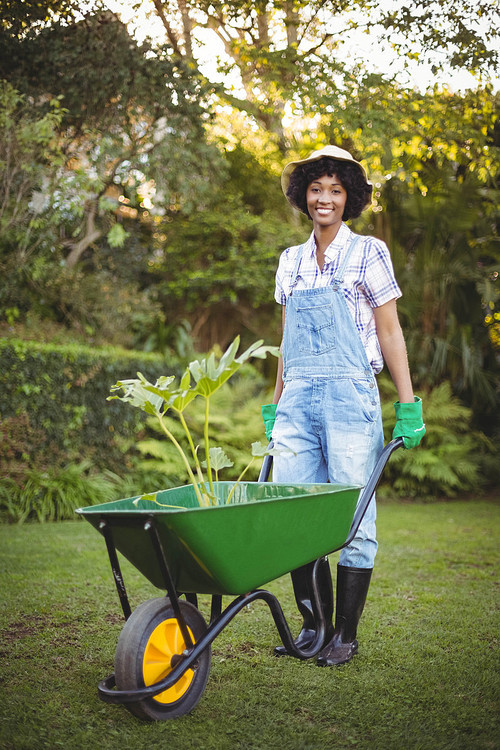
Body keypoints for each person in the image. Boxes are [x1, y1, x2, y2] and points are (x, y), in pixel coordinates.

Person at [261, 145, 425, 667]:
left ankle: (345, 635)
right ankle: (315, 627)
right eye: (316, 189)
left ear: (349, 197)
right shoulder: (290, 260)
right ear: (303, 196)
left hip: (352, 392)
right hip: (300, 395)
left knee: (355, 514)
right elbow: (287, 339)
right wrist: (276, 400)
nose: (324, 198)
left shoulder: (369, 251)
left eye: (335, 190)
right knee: (295, 509)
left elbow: (389, 328)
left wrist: (407, 402)